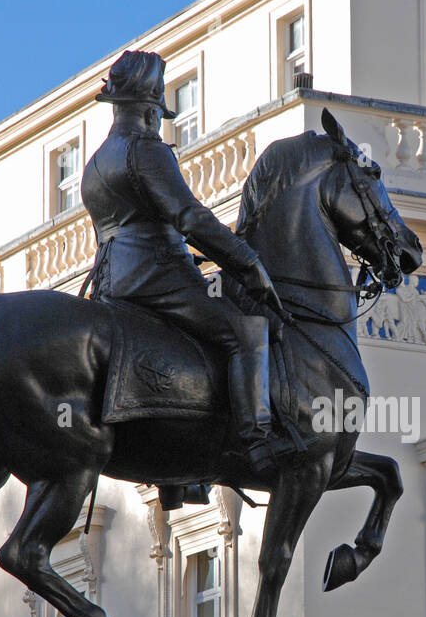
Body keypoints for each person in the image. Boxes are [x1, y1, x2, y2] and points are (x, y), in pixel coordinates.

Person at [81, 50, 298, 479]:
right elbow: (190, 217)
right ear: (149, 107)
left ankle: (184, 482)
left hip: (110, 282)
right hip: (156, 278)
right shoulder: (146, 150)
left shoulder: (96, 162)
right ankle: (256, 440)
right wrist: (246, 261)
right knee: (245, 332)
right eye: (159, 111)